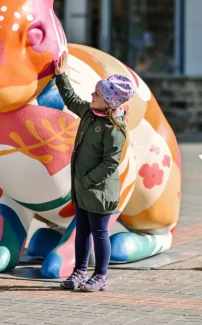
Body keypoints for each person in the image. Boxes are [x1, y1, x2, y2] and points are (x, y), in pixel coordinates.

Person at [53, 51, 136, 292]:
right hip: (83, 189)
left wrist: (88, 180)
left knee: (99, 234)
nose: (92, 95)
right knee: (82, 232)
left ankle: (101, 275)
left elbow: (111, 163)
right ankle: (80, 270)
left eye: (97, 94)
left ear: (110, 102)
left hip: (99, 191)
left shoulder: (114, 129)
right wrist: (61, 76)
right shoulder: (90, 113)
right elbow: (70, 98)